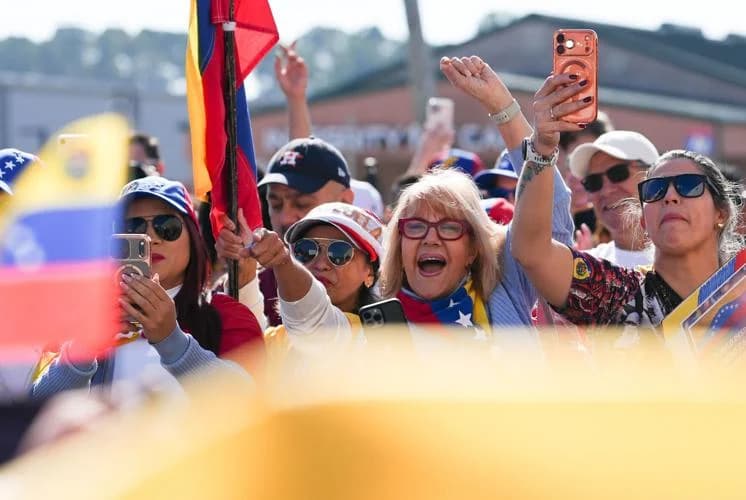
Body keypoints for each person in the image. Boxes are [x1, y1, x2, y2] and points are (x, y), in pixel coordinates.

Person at [510, 74, 743, 332]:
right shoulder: (617, 295)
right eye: (655, 190)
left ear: (721, 212)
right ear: (643, 219)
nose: (670, 196)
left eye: (688, 185)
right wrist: (542, 147)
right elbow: (531, 252)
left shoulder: (741, 287)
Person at [377, 56, 575, 334]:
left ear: (472, 249)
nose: (430, 238)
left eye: (449, 227)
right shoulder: (376, 318)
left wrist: (504, 109)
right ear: (399, 244)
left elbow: (550, 224)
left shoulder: (507, 287)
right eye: (416, 226)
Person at [32, 177, 262, 399]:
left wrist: (173, 341)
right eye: (134, 227)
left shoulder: (226, 315)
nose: (151, 238)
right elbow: (34, 414)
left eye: (167, 226)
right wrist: (82, 349)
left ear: (193, 238)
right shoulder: (90, 316)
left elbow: (252, 403)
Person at [568, 130, 660, 268]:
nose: (606, 190)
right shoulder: (586, 267)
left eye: (618, 173)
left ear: (653, 177)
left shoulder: (692, 260)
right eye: (594, 182)